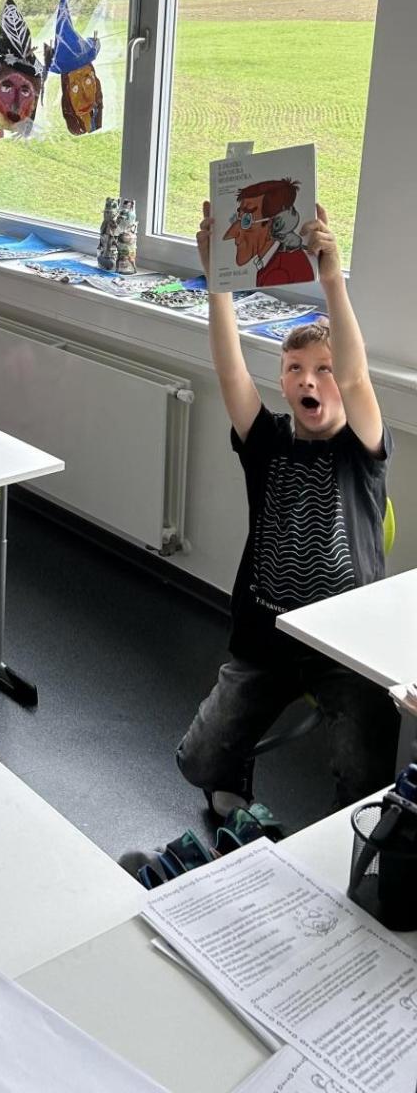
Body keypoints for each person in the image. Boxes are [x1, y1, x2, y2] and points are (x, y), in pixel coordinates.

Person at [177, 199, 398, 816]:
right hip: (265, 640)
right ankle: (238, 778)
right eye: (295, 369)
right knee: (198, 762)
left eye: (323, 370)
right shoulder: (268, 441)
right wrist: (218, 282)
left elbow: (356, 381)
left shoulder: (361, 449)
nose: (310, 380)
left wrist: (332, 281)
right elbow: (230, 373)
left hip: (346, 648)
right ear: (282, 382)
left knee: (364, 780)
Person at [222, 177, 316, 289]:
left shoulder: (280, 273)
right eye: (238, 217)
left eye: (246, 220)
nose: (232, 234)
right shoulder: (271, 263)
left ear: (276, 224)